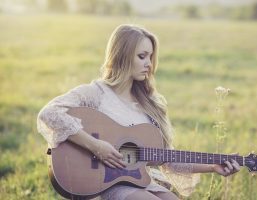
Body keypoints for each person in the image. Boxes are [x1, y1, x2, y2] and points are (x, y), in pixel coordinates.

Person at [37, 24, 240, 200]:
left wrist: (213, 166)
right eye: (142, 56)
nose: (149, 64)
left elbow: (166, 159)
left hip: (138, 181)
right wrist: (97, 146)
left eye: (151, 57)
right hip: (106, 184)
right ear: (122, 56)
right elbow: (49, 114)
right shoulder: (95, 93)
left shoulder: (151, 104)